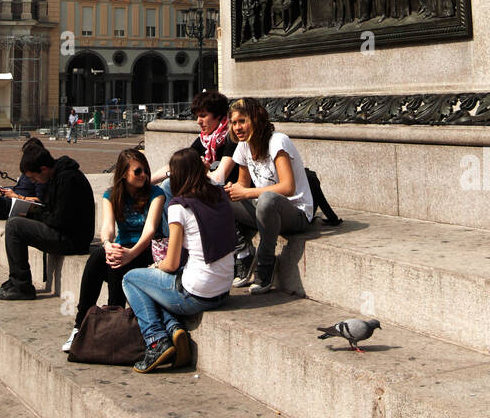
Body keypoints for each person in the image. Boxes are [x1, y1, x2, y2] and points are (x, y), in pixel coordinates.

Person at [123, 148, 235, 373]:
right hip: (223, 290)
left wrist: (155, 266)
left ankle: (156, 340)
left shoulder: (178, 206)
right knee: (155, 287)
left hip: (197, 294)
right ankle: (174, 329)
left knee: (132, 279)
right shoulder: (220, 195)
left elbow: (171, 263)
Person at [61, 149, 164, 352]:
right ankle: (80, 326)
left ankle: (113, 320)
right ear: (124, 174)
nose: (143, 175)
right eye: (138, 171)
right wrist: (107, 244)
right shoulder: (111, 195)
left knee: (116, 260)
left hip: (144, 251)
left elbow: (150, 230)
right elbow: (108, 228)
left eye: (145, 170)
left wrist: (131, 254)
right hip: (121, 249)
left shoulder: (156, 194)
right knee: (102, 255)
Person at [226, 97, 314, 293]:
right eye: (234, 123)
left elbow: (287, 187)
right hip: (264, 209)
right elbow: (242, 184)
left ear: (255, 120)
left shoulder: (277, 141)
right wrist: (233, 190)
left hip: (296, 213)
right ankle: (244, 254)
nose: (237, 127)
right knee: (218, 195)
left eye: (242, 121)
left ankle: (265, 263)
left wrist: (247, 192)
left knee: (267, 199)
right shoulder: (244, 146)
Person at [0, 146, 94, 301]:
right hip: (65, 232)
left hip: (72, 239)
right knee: (15, 223)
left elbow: (60, 219)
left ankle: (22, 285)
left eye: (34, 178)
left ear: (44, 169)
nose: (34, 182)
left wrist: (35, 213)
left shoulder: (68, 179)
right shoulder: (56, 177)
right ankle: (16, 281)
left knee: (14, 226)